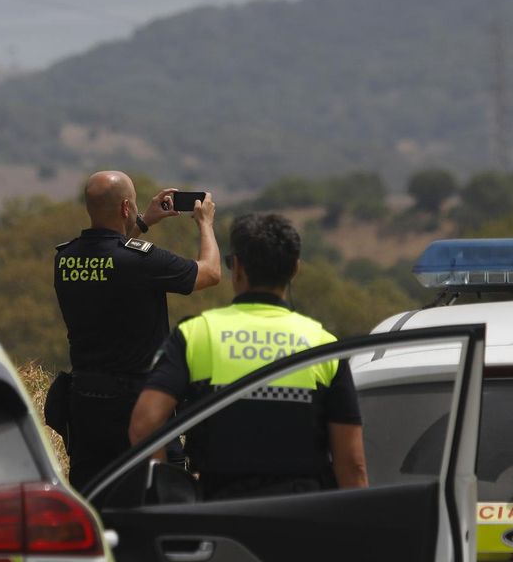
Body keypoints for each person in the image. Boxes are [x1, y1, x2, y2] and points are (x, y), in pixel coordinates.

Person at [128, 213, 367, 500]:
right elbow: (352, 464)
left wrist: (168, 495)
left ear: (237, 267)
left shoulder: (196, 334)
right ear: (295, 269)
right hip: (302, 522)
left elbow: (143, 426)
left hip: (221, 518)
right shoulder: (324, 346)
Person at [52, 171, 223, 490]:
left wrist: (144, 220)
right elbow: (210, 273)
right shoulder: (142, 261)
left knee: (93, 493)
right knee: (161, 491)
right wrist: (206, 224)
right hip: (139, 406)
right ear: (126, 207)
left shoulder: (65, 258)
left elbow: (110, 248)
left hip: (85, 405)